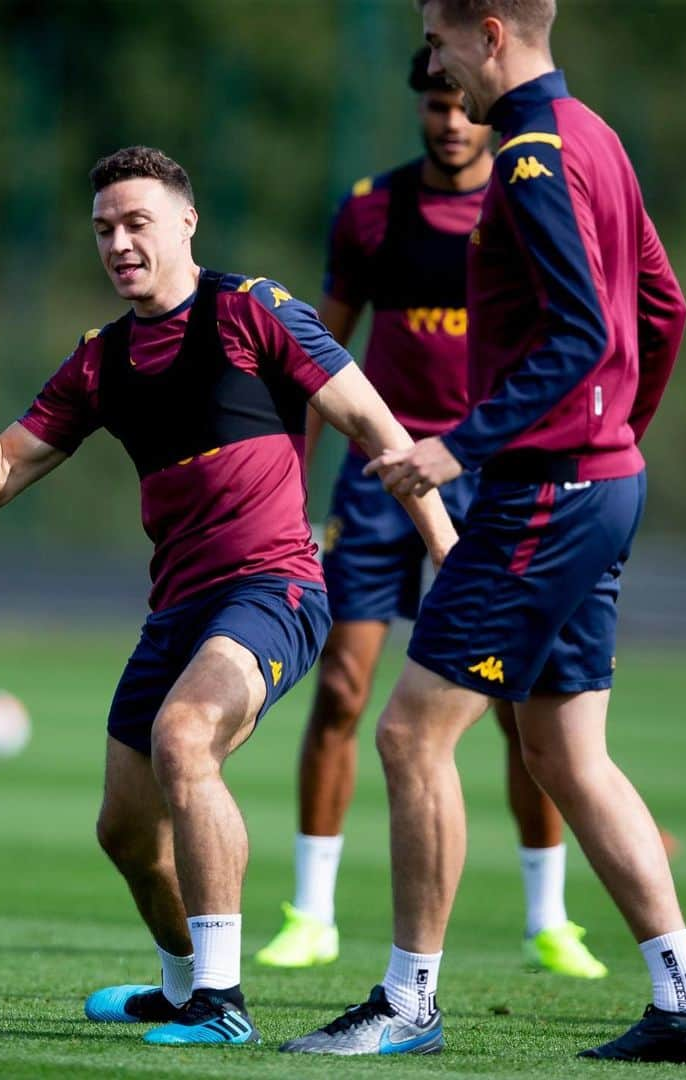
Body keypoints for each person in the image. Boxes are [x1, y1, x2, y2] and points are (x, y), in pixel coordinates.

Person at [282, 0, 686, 1063]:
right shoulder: (599, 137)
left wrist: (462, 445)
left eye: (438, 41)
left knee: (408, 733)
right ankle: (684, 996)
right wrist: (620, 435)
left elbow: (584, 329)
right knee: (566, 752)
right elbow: (660, 308)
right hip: (597, 479)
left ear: (490, 33)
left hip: (543, 491)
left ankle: (407, 1003)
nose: (430, 64)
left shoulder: (532, 157)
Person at [0, 146, 456, 1048]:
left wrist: (448, 553)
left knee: (185, 737)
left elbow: (375, 426)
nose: (119, 243)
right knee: (127, 833)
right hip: (176, 609)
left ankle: (221, 1001)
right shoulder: (102, 360)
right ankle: (180, 988)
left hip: (275, 589)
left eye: (137, 222)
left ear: (185, 222)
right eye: (103, 229)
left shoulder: (253, 310)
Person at [256, 46, 606, 981]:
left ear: (483, 105)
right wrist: (289, 480)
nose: (450, 120)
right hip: (378, 482)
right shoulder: (371, 210)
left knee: (513, 703)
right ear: (417, 109)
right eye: (433, 105)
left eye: (460, 104)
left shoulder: (531, 196)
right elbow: (313, 354)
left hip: (490, 478)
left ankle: (548, 919)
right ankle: (313, 914)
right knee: (340, 690)